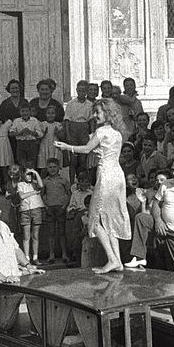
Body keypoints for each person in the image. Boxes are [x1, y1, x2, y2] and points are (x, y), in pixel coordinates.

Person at [55, 98, 130, 274]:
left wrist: (67, 146)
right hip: (117, 175)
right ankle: (117, 260)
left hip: (106, 176)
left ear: (107, 113)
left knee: (94, 219)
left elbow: (86, 149)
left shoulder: (102, 131)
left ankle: (112, 259)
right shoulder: (117, 133)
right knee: (110, 219)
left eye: (98, 112)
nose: (95, 115)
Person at [0, 197, 43, 283]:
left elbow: (16, 249)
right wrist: (4, 278)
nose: (0, 211)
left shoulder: (3, 226)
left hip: (14, 278)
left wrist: (28, 266)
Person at [7, 164, 46, 263]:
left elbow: (41, 186)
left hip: (36, 209)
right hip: (25, 210)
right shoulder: (20, 184)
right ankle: (27, 257)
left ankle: (35, 257)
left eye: (30, 175)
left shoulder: (35, 183)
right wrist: (34, 193)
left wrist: (36, 173)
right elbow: (22, 196)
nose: (29, 177)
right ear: (23, 175)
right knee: (26, 235)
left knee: (35, 235)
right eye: (27, 175)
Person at [41, 158, 71, 264]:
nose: (52, 169)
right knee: (51, 233)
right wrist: (46, 206)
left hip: (61, 208)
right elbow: (41, 195)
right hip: (50, 208)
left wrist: (65, 206)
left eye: (54, 167)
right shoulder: (44, 181)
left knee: (62, 232)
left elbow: (69, 193)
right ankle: (51, 254)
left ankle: (64, 254)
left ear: (59, 168)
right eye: (50, 167)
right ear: (47, 168)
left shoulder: (63, 180)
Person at [63, 80, 93, 181]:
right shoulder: (71, 104)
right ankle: (72, 181)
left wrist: (92, 135)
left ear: (87, 91)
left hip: (84, 129)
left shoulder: (89, 104)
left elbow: (91, 121)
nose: (81, 93)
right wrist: (68, 134)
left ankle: (82, 181)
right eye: (79, 90)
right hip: (73, 129)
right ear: (76, 90)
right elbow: (67, 120)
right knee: (73, 159)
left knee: (83, 159)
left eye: (84, 90)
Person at [9, 103, 45, 171]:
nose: (25, 113)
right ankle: (23, 180)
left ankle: (31, 180)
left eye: (27, 111)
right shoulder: (17, 121)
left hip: (32, 144)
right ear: (19, 112)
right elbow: (11, 133)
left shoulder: (34, 120)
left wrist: (31, 132)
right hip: (21, 144)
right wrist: (20, 132)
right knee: (22, 163)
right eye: (22, 111)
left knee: (31, 164)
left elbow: (40, 134)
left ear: (30, 112)